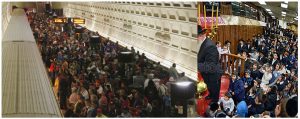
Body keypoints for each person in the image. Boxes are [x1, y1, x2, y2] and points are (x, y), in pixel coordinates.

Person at [197, 25, 222, 102]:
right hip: (207, 75)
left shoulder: (209, 46)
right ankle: (210, 95)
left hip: (213, 75)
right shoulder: (202, 43)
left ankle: (214, 101)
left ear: (202, 35)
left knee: (215, 91)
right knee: (210, 88)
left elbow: (210, 66)